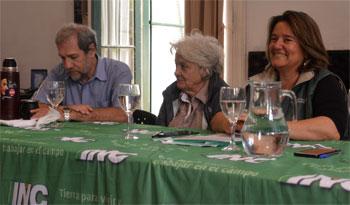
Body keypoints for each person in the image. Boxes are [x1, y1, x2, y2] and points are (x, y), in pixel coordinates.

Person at [250, 10, 348, 140]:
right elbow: (231, 117)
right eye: (274, 39)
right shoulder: (258, 81)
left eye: (287, 40)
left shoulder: (326, 82)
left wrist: (271, 126)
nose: (277, 45)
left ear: (306, 48)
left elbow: (332, 129)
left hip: (314, 160)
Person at [32, 23, 132, 122]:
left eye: (73, 57)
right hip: (69, 137)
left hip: (108, 137)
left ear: (91, 51)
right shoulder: (59, 72)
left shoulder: (118, 71)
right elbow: (37, 106)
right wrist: (69, 108)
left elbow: (123, 114)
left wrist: (70, 114)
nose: (67, 65)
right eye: (62, 58)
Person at [156, 32, 232, 133]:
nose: (176, 72)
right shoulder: (171, 93)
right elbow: (158, 131)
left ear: (205, 70)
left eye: (184, 66)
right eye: (176, 65)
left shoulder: (224, 96)